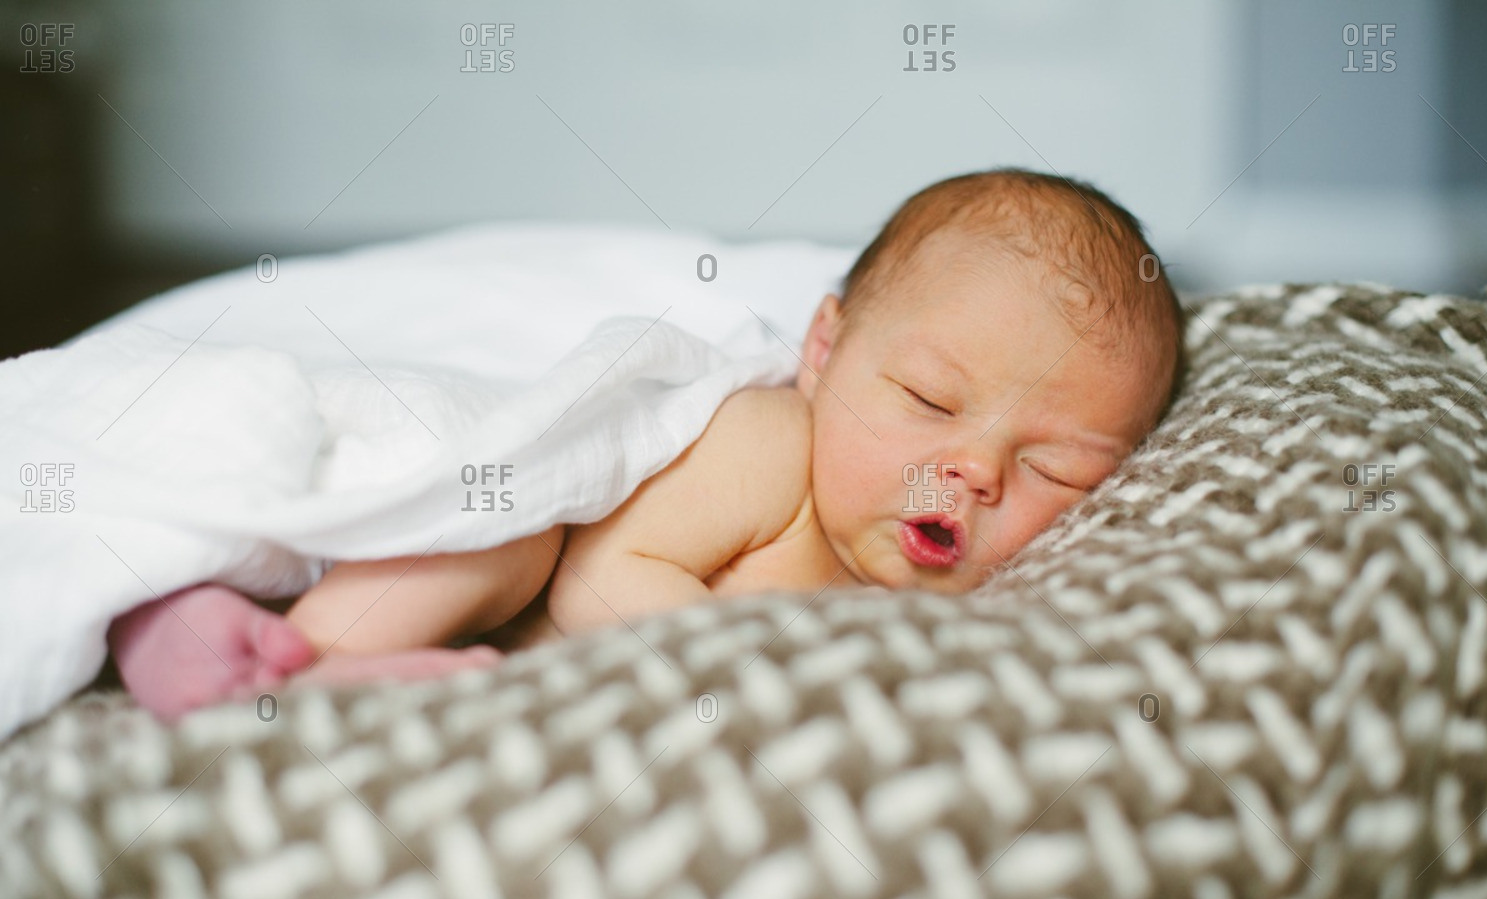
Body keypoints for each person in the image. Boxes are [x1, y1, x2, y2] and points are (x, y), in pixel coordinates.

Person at [109, 168, 1184, 721]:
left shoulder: (960, 610)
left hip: (527, 669)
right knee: (502, 529)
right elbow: (604, 574)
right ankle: (316, 654)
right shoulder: (770, 451)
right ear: (825, 351)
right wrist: (748, 665)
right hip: (529, 566)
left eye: (1057, 469)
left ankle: (201, 637)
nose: (978, 470)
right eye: (928, 398)